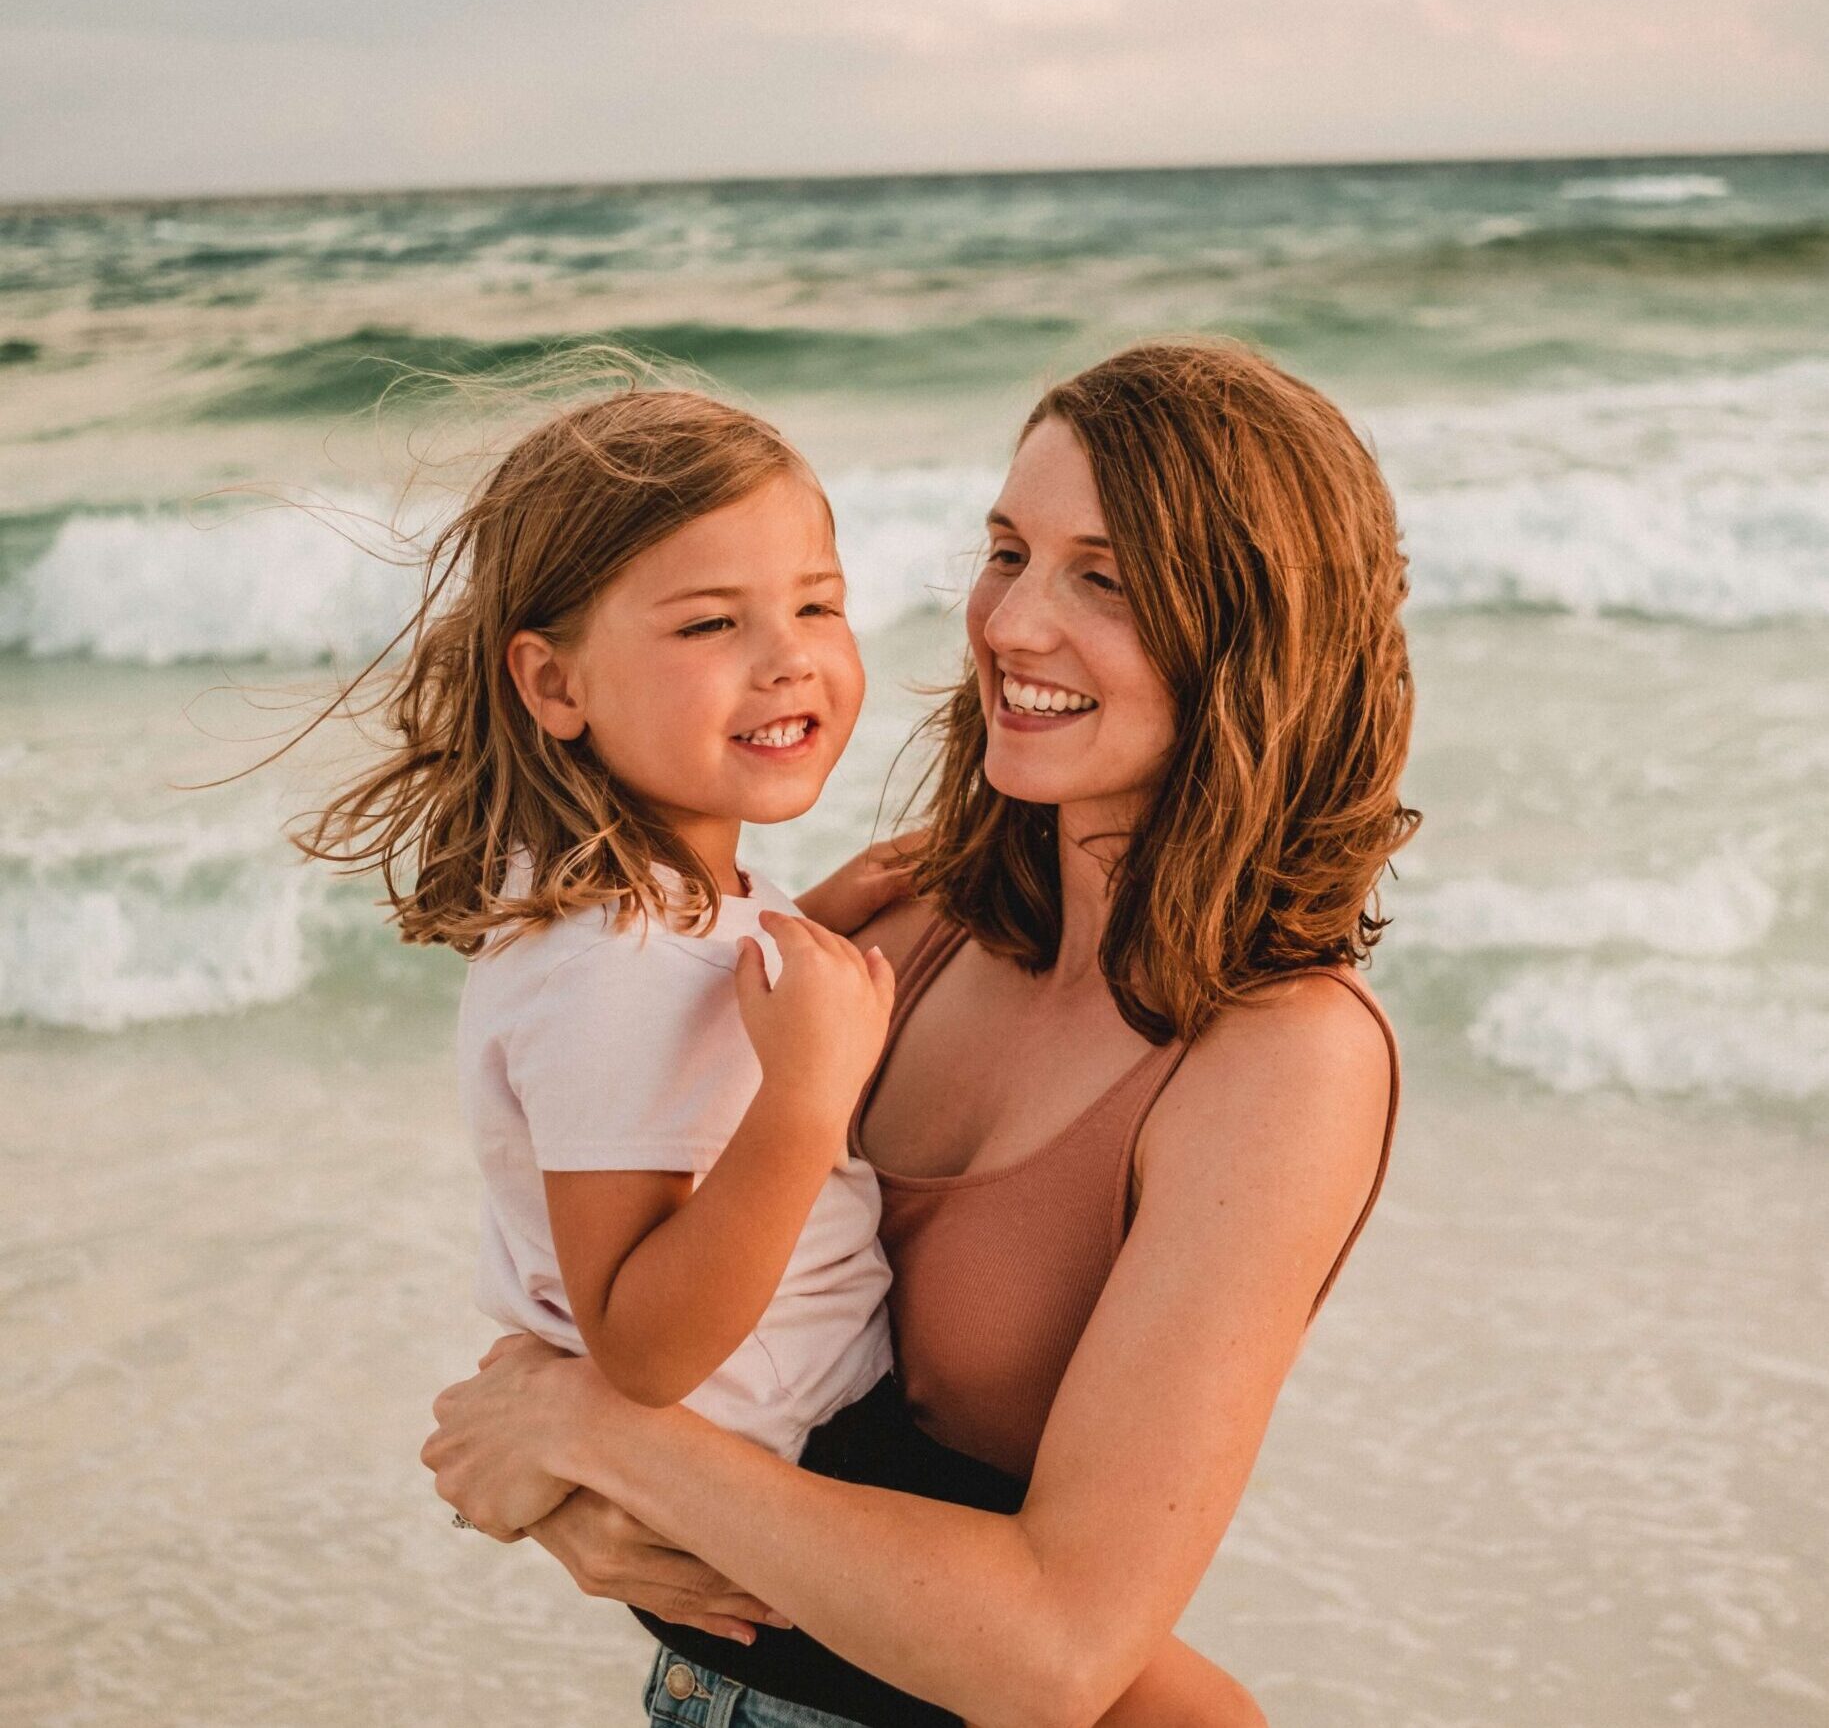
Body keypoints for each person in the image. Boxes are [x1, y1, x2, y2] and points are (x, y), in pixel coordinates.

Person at [422, 338, 1419, 1728]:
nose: (1010, 622)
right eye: (1007, 550)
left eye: (1106, 577)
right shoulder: (906, 918)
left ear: (1254, 635)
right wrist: (568, 1502)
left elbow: (1053, 1653)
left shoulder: (1279, 1060)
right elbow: (619, 1286)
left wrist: (597, 1437)